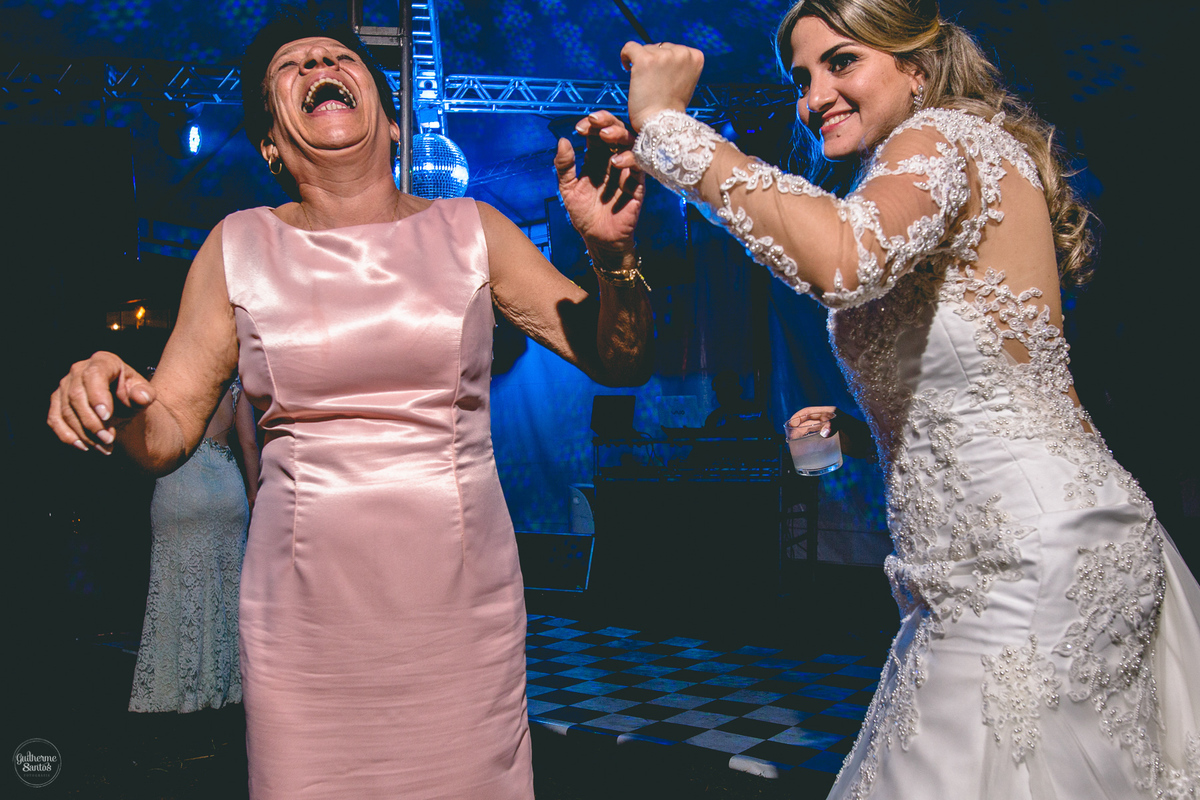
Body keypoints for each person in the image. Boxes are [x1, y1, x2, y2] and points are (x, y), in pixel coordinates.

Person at [47, 10, 652, 799]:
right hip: (304, 617)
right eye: (291, 67)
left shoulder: (474, 230)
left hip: (459, 608)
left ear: (394, 121)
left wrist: (616, 262)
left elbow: (620, 360)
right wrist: (113, 391)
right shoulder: (237, 245)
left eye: (336, 57)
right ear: (270, 141)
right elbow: (163, 436)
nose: (318, 64)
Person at [615, 0, 1200, 797]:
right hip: (995, 560)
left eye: (841, 61)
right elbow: (1001, 381)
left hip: (1027, 570)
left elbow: (845, 260)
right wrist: (859, 432)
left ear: (916, 67)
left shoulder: (945, 137)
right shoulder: (934, 166)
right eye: (801, 76)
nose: (814, 94)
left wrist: (666, 125)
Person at [129, 379, 259, 714]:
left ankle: (181, 687)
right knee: (227, 587)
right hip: (226, 487)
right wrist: (255, 491)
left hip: (181, 482)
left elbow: (150, 440)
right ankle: (227, 684)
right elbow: (248, 442)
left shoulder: (165, 377)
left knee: (176, 585)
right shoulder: (234, 383)